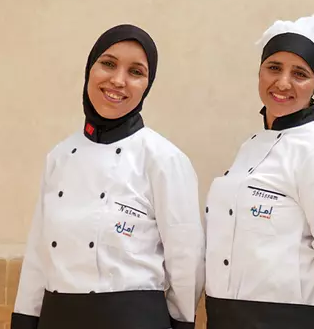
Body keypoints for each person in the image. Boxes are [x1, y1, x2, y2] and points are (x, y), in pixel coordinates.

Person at [12, 24, 203, 329]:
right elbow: (38, 253)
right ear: (90, 69)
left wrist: (181, 322)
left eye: (135, 72)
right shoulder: (60, 156)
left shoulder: (164, 159)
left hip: (134, 318)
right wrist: (25, 318)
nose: (118, 80)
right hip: (58, 317)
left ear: (147, 85)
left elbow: (186, 258)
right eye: (108, 64)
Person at [203, 15, 314, 328]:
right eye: (274, 67)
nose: (283, 82)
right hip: (228, 317)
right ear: (260, 71)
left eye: (300, 73)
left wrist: (292, 289)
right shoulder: (250, 147)